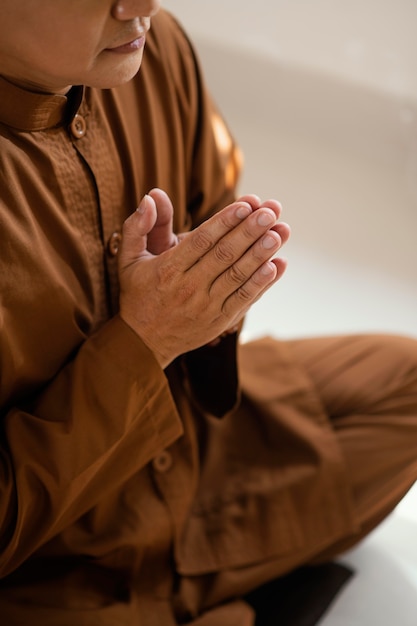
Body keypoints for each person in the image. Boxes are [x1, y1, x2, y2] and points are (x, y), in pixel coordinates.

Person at [0, 1, 416, 624]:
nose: (142, 4)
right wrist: (141, 342)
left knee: (406, 381)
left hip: (190, 453)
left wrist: (205, 306)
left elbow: (212, 201)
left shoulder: (152, 48)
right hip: (49, 565)